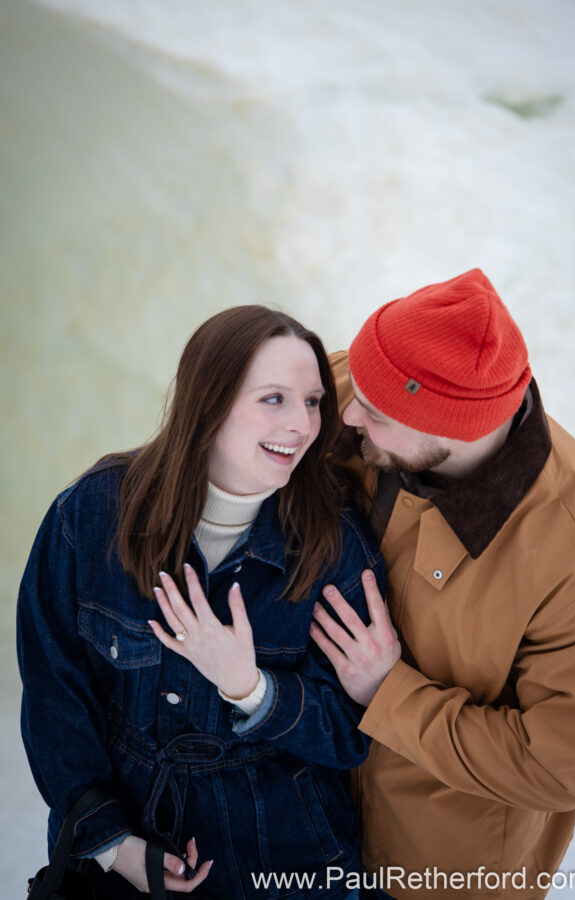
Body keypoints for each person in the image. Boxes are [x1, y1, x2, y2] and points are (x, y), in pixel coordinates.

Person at [17, 306, 387, 899]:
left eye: (314, 401)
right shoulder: (90, 514)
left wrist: (251, 688)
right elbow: (53, 691)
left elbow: (350, 736)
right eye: (274, 399)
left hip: (283, 864)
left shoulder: (336, 548)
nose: (302, 425)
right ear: (209, 401)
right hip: (123, 851)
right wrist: (111, 844)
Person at [310, 268, 575, 899]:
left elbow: (559, 767)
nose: (346, 411)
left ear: (450, 430)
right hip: (305, 825)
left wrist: (388, 693)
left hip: (435, 874)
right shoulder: (369, 390)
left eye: (375, 413)